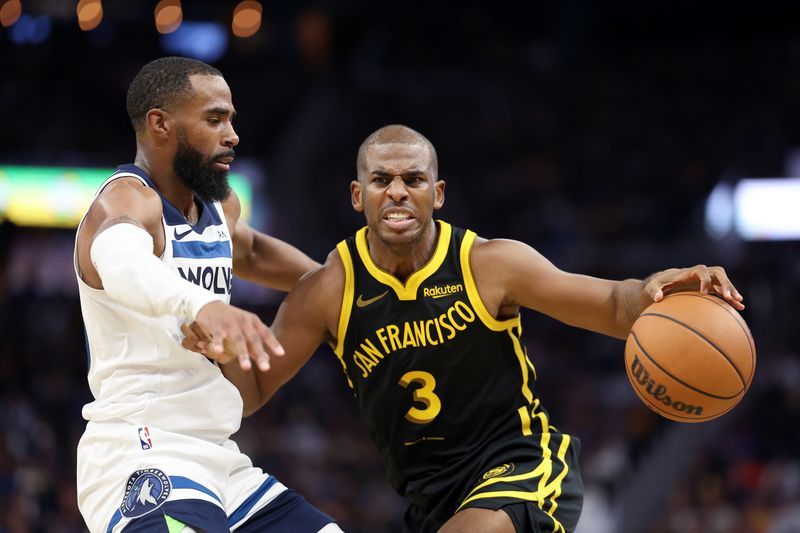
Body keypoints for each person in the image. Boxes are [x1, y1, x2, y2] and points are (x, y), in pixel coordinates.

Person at [185, 124, 745, 533]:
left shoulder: (491, 264)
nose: (398, 191)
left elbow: (614, 307)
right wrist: (225, 347)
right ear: (358, 196)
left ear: (439, 193)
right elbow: (255, 390)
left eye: (413, 179)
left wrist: (655, 289)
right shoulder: (329, 290)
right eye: (381, 180)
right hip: (431, 499)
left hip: (523, 467)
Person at [74, 56, 343, 533]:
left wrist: (342, 288)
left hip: (220, 461)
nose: (233, 134)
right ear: (160, 123)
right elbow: (121, 261)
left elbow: (253, 251)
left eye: (231, 119)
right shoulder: (126, 201)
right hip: (140, 452)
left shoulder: (219, 206)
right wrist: (203, 304)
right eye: (215, 118)